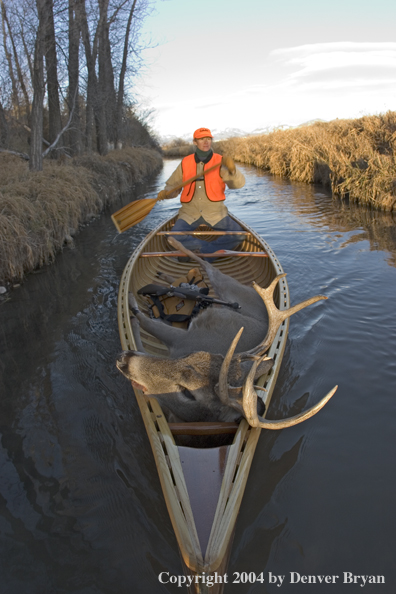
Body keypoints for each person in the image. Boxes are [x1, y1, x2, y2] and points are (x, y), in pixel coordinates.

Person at [157, 127, 246, 259]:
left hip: (215, 213)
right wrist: (167, 193)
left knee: (239, 234)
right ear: (195, 142)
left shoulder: (220, 161)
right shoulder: (185, 162)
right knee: (173, 237)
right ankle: (209, 252)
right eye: (202, 139)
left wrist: (233, 171)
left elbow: (238, 184)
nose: (206, 142)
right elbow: (172, 186)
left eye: (209, 139)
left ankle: (202, 252)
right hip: (189, 213)